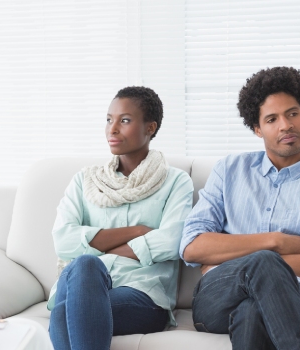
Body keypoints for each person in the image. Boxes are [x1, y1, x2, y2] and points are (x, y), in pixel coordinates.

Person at [179, 66, 300, 349]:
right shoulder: (229, 170)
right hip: (218, 296)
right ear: (257, 128)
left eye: (293, 113)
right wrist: (274, 242)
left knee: (252, 311)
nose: (286, 125)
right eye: (272, 119)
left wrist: (237, 259)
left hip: (299, 297)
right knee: (264, 260)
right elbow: (192, 246)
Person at [48, 86, 194, 350]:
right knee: (85, 266)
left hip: (143, 293)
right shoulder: (85, 181)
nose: (112, 129)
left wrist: (98, 249)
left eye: (124, 120)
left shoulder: (175, 181)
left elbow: (172, 241)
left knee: (63, 312)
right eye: (108, 120)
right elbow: (63, 241)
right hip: (81, 283)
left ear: (150, 127)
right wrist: (137, 231)